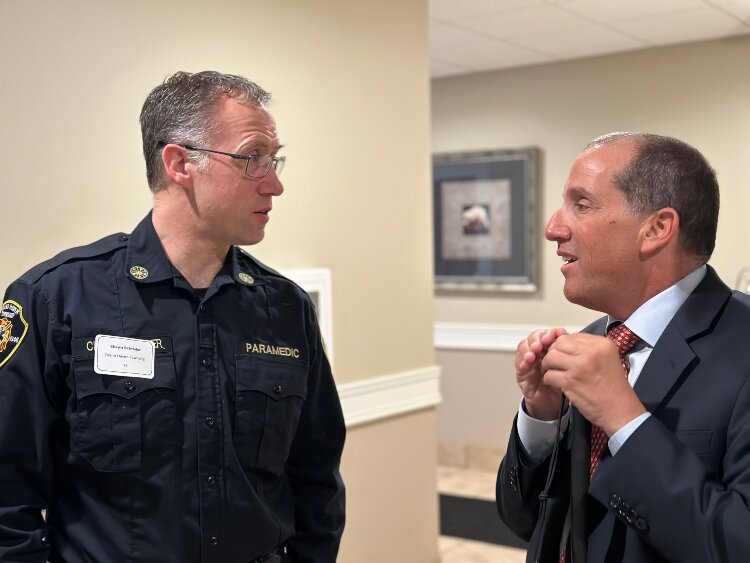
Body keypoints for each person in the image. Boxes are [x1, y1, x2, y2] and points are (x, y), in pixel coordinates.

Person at [0, 71, 345, 563]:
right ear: (180, 163)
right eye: (253, 159)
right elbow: (7, 493)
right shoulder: (56, 298)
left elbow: (317, 480)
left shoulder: (285, 308)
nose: (275, 184)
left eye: (274, 159)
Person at [495, 132, 750, 562]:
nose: (553, 228)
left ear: (657, 229)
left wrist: (624, 419)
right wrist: (540, 419)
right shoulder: (592, 341)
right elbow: (523, 521)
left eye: (582, 204)